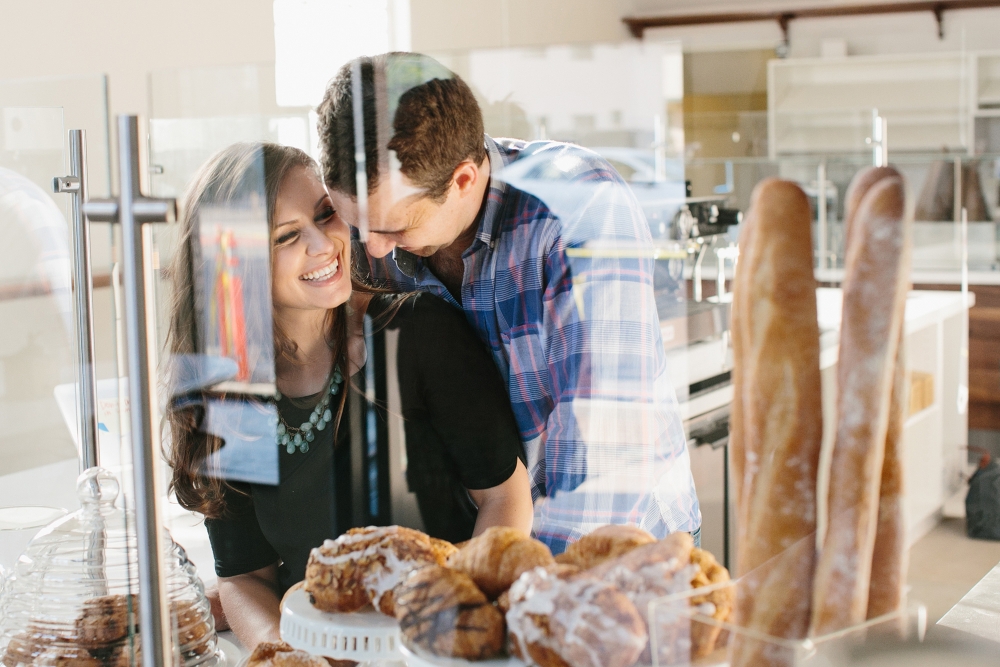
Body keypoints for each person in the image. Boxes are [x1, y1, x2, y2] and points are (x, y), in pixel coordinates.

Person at [317, 52, 701, 554]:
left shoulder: (579, 210)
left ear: (462, 181)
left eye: (394, 227)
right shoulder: (379, 228)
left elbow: (599, 457)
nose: (371, 250)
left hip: (620, 547)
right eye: (353, 222)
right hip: (488, 546)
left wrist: (521, 597)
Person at [166, 142, 532, 649]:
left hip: (435, 645)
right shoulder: (228, 392)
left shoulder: (418, 332)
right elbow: (243, 577)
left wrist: (446, 635)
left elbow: (505, 499)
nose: (324, 244)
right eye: (288, 237)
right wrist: (284, 656)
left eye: (325, 215)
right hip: (317, 651)